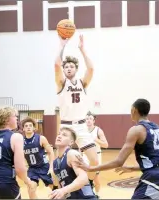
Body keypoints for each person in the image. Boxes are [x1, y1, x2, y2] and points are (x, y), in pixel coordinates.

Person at [76, 99, 159, 199]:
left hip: (154, 180)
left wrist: (91, 168)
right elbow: (158, 162)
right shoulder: (157, 128)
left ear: (134, 110)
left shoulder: (136, 130)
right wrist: (131, 168)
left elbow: (119, 161)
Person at [55, 34, 98, 184]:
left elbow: (91, 68)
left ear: (76, 68)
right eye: (66, 66)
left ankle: (90, 184)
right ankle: (57, 187)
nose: (68, 68)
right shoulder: (61, 83)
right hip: (66, 126)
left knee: (94, 161)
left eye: (71, 66)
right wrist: (62, 46)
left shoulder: (82, 83)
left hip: (81, 126)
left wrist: (82, 50)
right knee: (60, 162)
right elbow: (56, 65)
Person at [49, 127, 97, 199]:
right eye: (59, 134)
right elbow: (61, 188)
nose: (59, 136)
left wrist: (63, 190)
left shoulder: (72, 154)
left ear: (71, 142)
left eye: (64, 135)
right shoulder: (55, 162)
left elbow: (83, 178)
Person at [22, 117, 57, 199]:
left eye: (30, 125)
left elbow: (51, 152)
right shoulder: (21, 141)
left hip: (44, 167)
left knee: (55, 189)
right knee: (31, 189)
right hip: (32, 168)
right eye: (26, 126)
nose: (28, 127)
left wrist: (51, 167)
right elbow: (20, 157)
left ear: (34, 128)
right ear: (23, 129)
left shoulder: (41, 138)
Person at [84, 111, 108, 196]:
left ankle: (97, 195)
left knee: (96, 179)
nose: (88, 120)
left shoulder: (98, 130)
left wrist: (95, 139)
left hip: (96, 155)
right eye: (87, 119)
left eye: (90, 119)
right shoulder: (83, 130)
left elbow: (106, 145)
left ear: (94, 121)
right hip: (85, 156)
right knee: (84, 178)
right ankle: (87, 194)